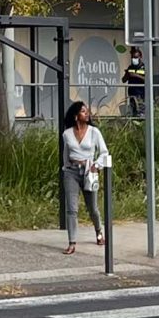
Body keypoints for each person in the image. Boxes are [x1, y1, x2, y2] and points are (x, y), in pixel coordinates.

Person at [61, 100, 110, 254]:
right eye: (83, 111)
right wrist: (66, 167)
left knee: (93, 208)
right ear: (76, 116)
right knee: (71, 209)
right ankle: (72, 242)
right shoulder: (67, 134)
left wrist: (97, 165)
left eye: (87, 111)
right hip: (72, 172)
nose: (87, 113)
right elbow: (65, 154)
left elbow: (104, 152)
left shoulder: (94, 132)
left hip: (89, 170)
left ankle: (99, 232)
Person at [122, 47, 148, 120]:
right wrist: (127, 74)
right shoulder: (130, 67)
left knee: (141, 114)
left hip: (141, 94)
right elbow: (123, 80)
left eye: (136, 57)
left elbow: (148, 80)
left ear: (140, 57)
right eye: (133, 57)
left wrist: (136, 75)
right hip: (132, 94)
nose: (134, 59)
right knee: (134, 114)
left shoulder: (144, 67)